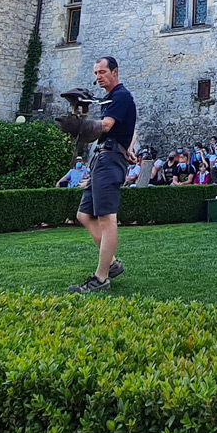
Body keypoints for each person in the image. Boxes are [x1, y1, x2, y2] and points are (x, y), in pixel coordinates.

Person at [67, 56, 137, 294]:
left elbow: (106, 126)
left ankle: (101, 277)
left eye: (102, 72)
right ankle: (112, 263)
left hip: (109, 160)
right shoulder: (110, 99)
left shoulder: (120, 96)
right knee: (84, 215)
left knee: (107, 219)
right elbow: (131, 128)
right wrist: (129, 148)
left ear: (115, 72)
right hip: (102, 158)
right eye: (96, 73)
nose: (98, 76)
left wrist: (80, 126)